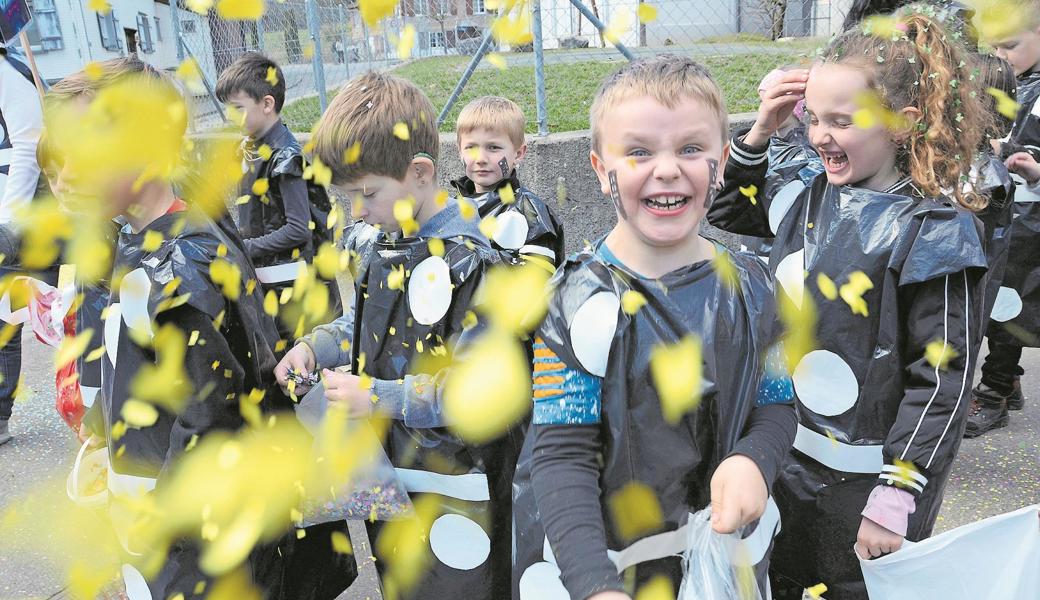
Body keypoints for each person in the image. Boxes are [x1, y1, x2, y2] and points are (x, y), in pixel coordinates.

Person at [706, 6, 992, 599]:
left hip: (869, 484)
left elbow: (942, 376)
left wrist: (898, 492)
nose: (818, 136)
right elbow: (730, 210)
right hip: (785, 452)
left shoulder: (932, 228)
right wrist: (761, 130)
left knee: (847, 586)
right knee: (779, 577)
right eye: (813, 118)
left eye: (842, 119)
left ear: (902, 122)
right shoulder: (804, 188)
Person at [45, 56, 355, 599]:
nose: (67, 169)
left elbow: (209, 421)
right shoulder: (143, 240)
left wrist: (154, 516)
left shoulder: (184, 268)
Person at [512, 54, 797, 600]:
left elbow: (778, 404)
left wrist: (754, 460)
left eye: (691, 149)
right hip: (609, 566)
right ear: (600, 170)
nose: (667, 168)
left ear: (719, 163)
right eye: (639, 151)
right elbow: (560, 452)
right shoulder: (576, 303)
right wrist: (594, 584)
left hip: (720, 559)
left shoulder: (755, 290)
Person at [272, 71, 509, 600]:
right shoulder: (379, 245)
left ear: (420, 172)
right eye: (348, 197)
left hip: (457, 489)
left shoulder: (473, 264)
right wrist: (316, 344)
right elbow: (360, 325)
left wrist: (377, 396)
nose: (356, 211)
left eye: (367, 193)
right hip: (390, 477)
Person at [215, 52, 341, 344]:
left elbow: (298, 229)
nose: (231, 117)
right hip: (269, 281)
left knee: (296, 369)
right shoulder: (251, 147)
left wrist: (244, 248)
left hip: (293, 290)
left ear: (267, 104)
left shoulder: (286, 158)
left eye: (237, 108)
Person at [967, 6, 1040, 436]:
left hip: (1031, 219)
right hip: (1002, 211)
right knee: (995, 297)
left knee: (1014, 300)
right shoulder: (1012, 81)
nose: (1001, 54)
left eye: (1010, 45)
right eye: (993, 45)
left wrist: (1032, 165)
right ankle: (1006, 380)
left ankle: (994, 390)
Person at [450, 96, 564, 268]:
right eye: (471, 147)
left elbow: (537, 281)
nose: (481, 159)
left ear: (518, 153)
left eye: (493, 147)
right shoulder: (451, 209)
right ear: (460, 151)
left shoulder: (530, 211)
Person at [0, 44, 43, 446]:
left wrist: (9, 225)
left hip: (14, 224)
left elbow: (29, 146)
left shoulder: (6, 72)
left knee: (3, 323)